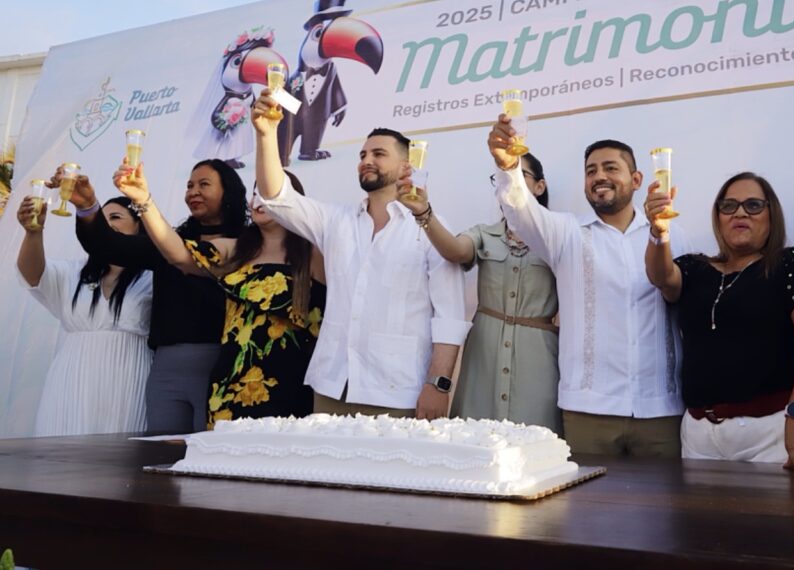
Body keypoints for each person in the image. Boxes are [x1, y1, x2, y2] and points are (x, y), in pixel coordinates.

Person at [251, 89, 472, 419]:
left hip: (398, 391)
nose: (366, 160)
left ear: (406, 166)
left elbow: (449, 316)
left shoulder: (431, 229)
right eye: (362, 154)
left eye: (379, 154)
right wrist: (266, 134)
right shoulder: (335, 221)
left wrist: (438, 386)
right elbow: (276, 197)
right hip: (331, 385)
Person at [488, 115, 689, 457]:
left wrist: (661, 234)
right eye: (591, 171)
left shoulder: (674, 236)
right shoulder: (567, 232)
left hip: (660, 409)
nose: (599, 177)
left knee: (665, 494)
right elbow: (521, 211)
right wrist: (509, 167)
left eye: (611, 168)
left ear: (637, 179)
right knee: (587, 494)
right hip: (588, 410)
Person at [645, 172, 794, 473]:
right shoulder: (695, 267)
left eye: (753, 205)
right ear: (718, 216)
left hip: (776, 428)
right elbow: (662, 276)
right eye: (729, 206)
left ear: (771, 214)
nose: (740, 213)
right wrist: (659, 233)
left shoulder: (791, 263)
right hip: (700, 436)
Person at [113, 163, 326, 427]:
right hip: (231, 386)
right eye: (256, 193)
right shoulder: (236, 250)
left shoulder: (315, 253)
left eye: (269, 193)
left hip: (291, 384)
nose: (259, 200)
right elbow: (177, 253)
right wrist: (143, 200)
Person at [72, 159, 248, 433]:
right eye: (189, 185)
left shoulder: (249, 245)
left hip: (222, 366)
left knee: (211, 452)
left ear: (229, 191)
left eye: (204, 184)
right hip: (166, 371)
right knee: (161, 452)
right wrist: (86, 207)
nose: (193, 192)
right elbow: (107, 246)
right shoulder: (169, 242)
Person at [396, 152, 561, 433]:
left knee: (536, 442)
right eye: (501, 178)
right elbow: (455, 250)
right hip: (483, 356)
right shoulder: (484, 233)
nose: (508, 184)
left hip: (539, 359)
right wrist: (423, 213)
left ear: (539, 186)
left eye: (518, 176)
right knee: (473, 438)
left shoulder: (559, 234)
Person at [15, 194, 153, 436]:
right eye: (102, 219)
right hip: (73, 378)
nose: (107, 224)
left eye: (116, 217)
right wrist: (33, 232)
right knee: (65, 444)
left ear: (138, 226)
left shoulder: (152, 276)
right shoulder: (74, 272)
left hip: (130, 378)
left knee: (123, 448)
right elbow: (33, 275)